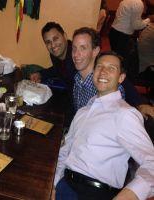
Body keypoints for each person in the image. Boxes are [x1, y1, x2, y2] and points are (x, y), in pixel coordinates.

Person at [55, 51, 154, 200]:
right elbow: (64, 151)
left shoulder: (125, 114)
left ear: (121, 78)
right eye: (99, 66)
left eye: (111, 68)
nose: (103, 71)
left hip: (93, 193)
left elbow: (151, 162)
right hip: (65, 186)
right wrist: (54, 184)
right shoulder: (83, 111)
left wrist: (128, 195)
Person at [109, 0, 154, 80]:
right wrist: (149, 20)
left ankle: (113, 83)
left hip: (113, 32)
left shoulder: (125, 1)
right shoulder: (138, 3)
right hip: (122, 36)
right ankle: (120, 86)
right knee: (123, 66)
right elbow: (136, 25)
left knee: (115, 61)